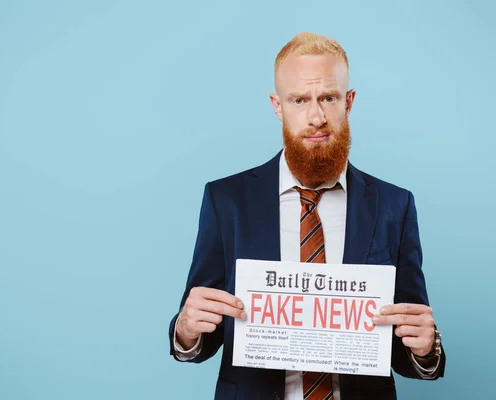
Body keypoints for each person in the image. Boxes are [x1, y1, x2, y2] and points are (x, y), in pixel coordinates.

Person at [168, 31, 446, 400]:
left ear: (348, 102)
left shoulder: (395, 205)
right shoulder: (227, 200)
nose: (315, 117)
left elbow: (406, 346)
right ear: (277, 105)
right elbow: (202, 336)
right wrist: (186, 330)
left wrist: (425, 348)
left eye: (328, 97)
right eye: (299, 100)